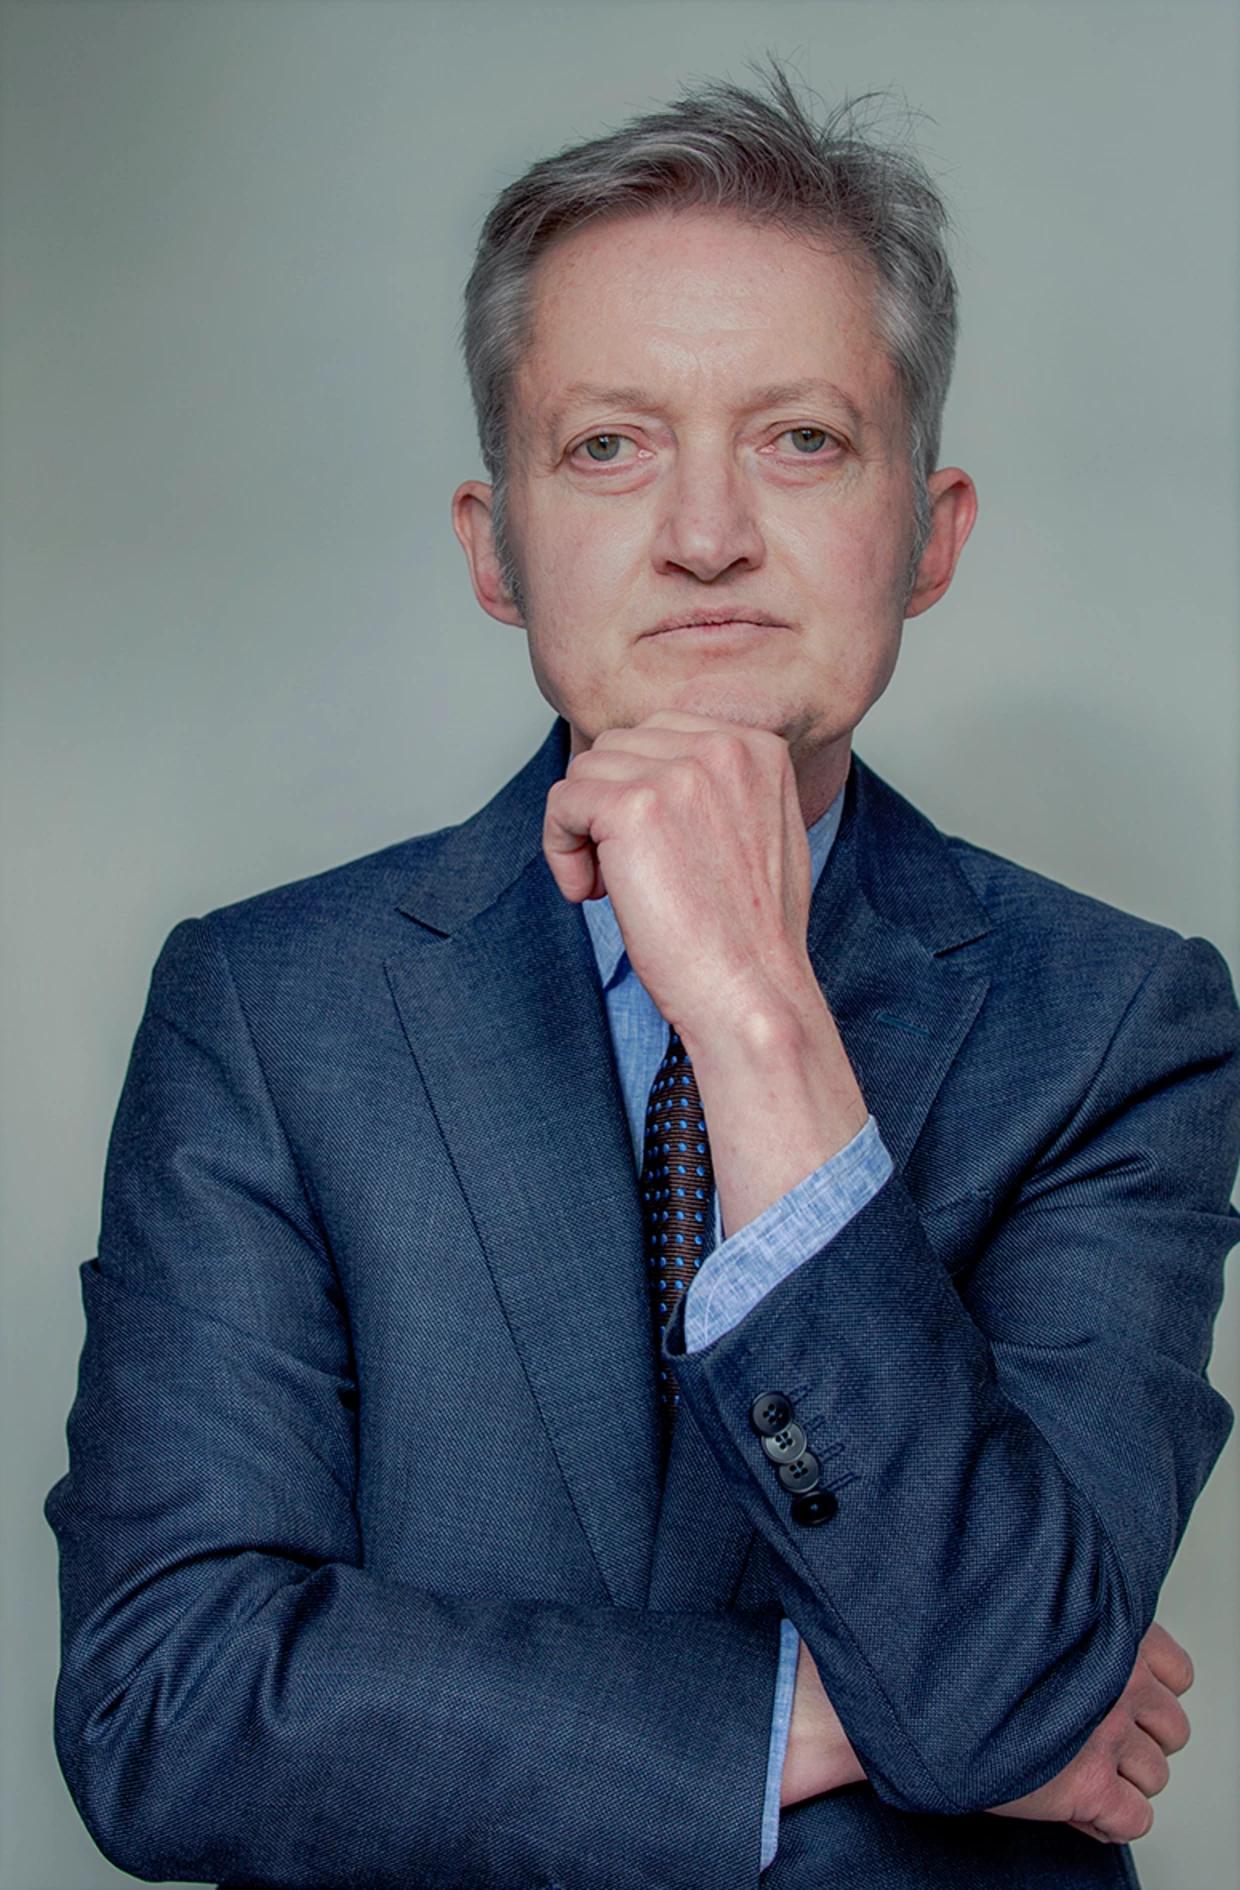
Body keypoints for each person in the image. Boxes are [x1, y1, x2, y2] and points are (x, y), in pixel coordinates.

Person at [47, 61, 1239, 1890]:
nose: (704, 534)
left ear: (931, 534)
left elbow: (1005, 1679)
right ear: (495, 547)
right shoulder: (268, 1013)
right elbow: (168, 1702)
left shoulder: (1121, 1024)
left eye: (802, 439)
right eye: (608, 446)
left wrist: (760, 1016)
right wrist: (803, 1717)